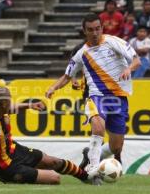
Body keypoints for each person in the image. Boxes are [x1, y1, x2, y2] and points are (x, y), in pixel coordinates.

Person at [45, 14, 141, 185]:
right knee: (98, 126)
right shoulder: (81, 53)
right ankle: (93, 170)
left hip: (118, 98)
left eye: (98, 28)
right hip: (96, 96)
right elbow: (67, 76)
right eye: (90, 30)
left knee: (116, 147)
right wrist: (53, 87)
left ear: (102, 28)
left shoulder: (113, 41)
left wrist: (129, 69)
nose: (95, 32)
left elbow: (136, 60)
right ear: (84, 31)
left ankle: (90, 154)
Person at [0, 86, 95, 186]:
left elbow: (13, 108)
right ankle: (20, 177)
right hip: (4, 168)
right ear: (2, 104)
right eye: (8, 99)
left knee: (53, 162)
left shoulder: (0, 110)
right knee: (55, 178)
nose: (11, 101)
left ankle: (86, 177)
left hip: (15, 151)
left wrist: (30, 105)